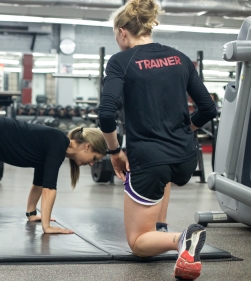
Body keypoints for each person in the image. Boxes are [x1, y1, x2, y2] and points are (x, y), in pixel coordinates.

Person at [98, 0, 218, 280]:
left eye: (115, 35)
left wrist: (114, 151)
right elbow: (209, 109)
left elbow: (106, 114)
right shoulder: (179, 57)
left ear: (123, 32)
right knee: (163, 174)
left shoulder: (120, 62)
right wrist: (186, 129)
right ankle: (160, 227)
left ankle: (182, 238)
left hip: (149, 161)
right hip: (186, 159)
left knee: (138, 243)